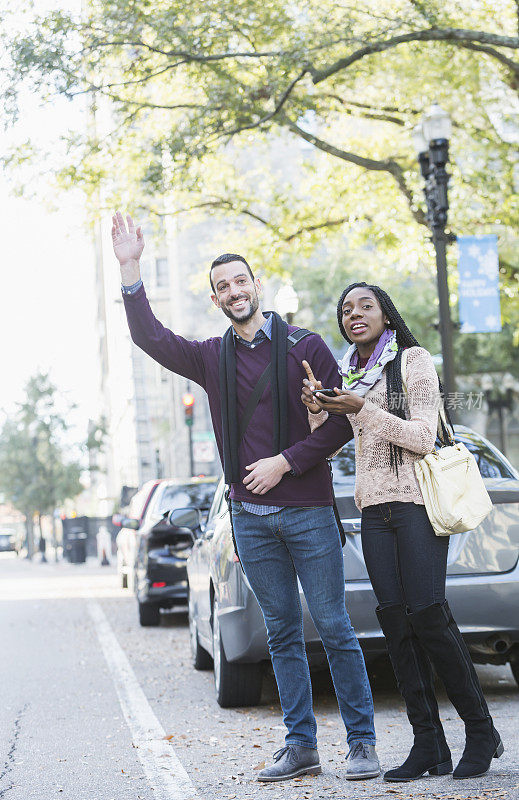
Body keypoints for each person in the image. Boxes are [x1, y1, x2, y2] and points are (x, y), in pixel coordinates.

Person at [111, 212, 380, 783]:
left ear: (256, 285)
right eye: (223, 287)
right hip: (250, 522)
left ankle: (361, 744)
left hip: (308, 512)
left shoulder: (306, 346)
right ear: (216, 299)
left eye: (241, 281)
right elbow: (149, 337)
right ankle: (300, 745)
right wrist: (130, 269)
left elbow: (339, 425)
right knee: (281, 630)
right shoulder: (211, 358)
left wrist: (287, 461)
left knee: (333, 625)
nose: (234, 291)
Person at [301, 281, 504, 783]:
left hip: (416, 506)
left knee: (428, 613)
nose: (354, 315)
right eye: (346, 309)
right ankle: (428, 743)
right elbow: (325, 442)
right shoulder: (352, 373)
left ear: (385, 315)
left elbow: (422, 434)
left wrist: (362, 409)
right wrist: (316, 406)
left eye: (365, 306)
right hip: (374, 511)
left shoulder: (411, 360)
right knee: (394, 621)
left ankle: (480, 731)